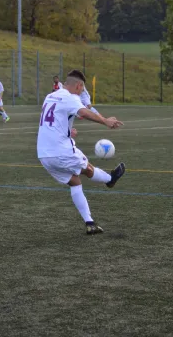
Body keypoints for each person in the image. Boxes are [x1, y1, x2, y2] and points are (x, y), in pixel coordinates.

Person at [37, 69, 125, 235]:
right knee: (87, 169)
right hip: (60, 151)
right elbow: (84, 112)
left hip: (44, 154)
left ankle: (89, 223)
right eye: (82, 89)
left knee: (75, 181)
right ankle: (110, 179)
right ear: (78, 86)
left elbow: (50, 123)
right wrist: (105, 121)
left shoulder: (50, 96)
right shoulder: (70, 98)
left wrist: (69, 132)